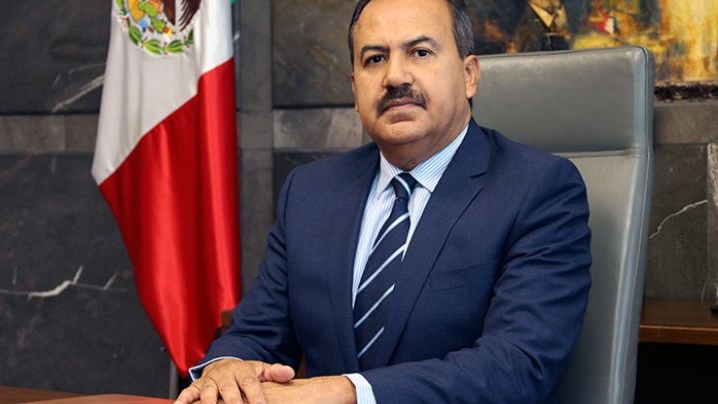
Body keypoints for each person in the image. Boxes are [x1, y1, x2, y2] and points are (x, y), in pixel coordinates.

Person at [176, 0, 591, 402]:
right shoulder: (310, 192)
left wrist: (346, 391)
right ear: (355, 90)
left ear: (469, 75)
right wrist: (227, 366)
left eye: (420, 52)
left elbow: (518, 366)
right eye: (375, 59)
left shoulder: (538, 189)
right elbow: (257, 332)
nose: (394, 76)